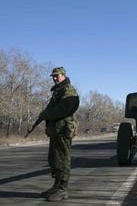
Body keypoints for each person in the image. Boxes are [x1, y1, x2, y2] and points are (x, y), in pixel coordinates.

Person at [38, 67, 79, 202]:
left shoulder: (68, 90)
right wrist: (45, 115)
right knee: (54, 159)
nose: (55, 78)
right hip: (56, 130)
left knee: (62, 159)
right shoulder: (58, 91)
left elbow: (64, 109)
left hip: (63, 130)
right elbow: (52, 109)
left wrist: (48, 114)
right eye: (53, 76)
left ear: (63, 75)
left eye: (57, 76)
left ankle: (62, 189)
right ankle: (56, 186)